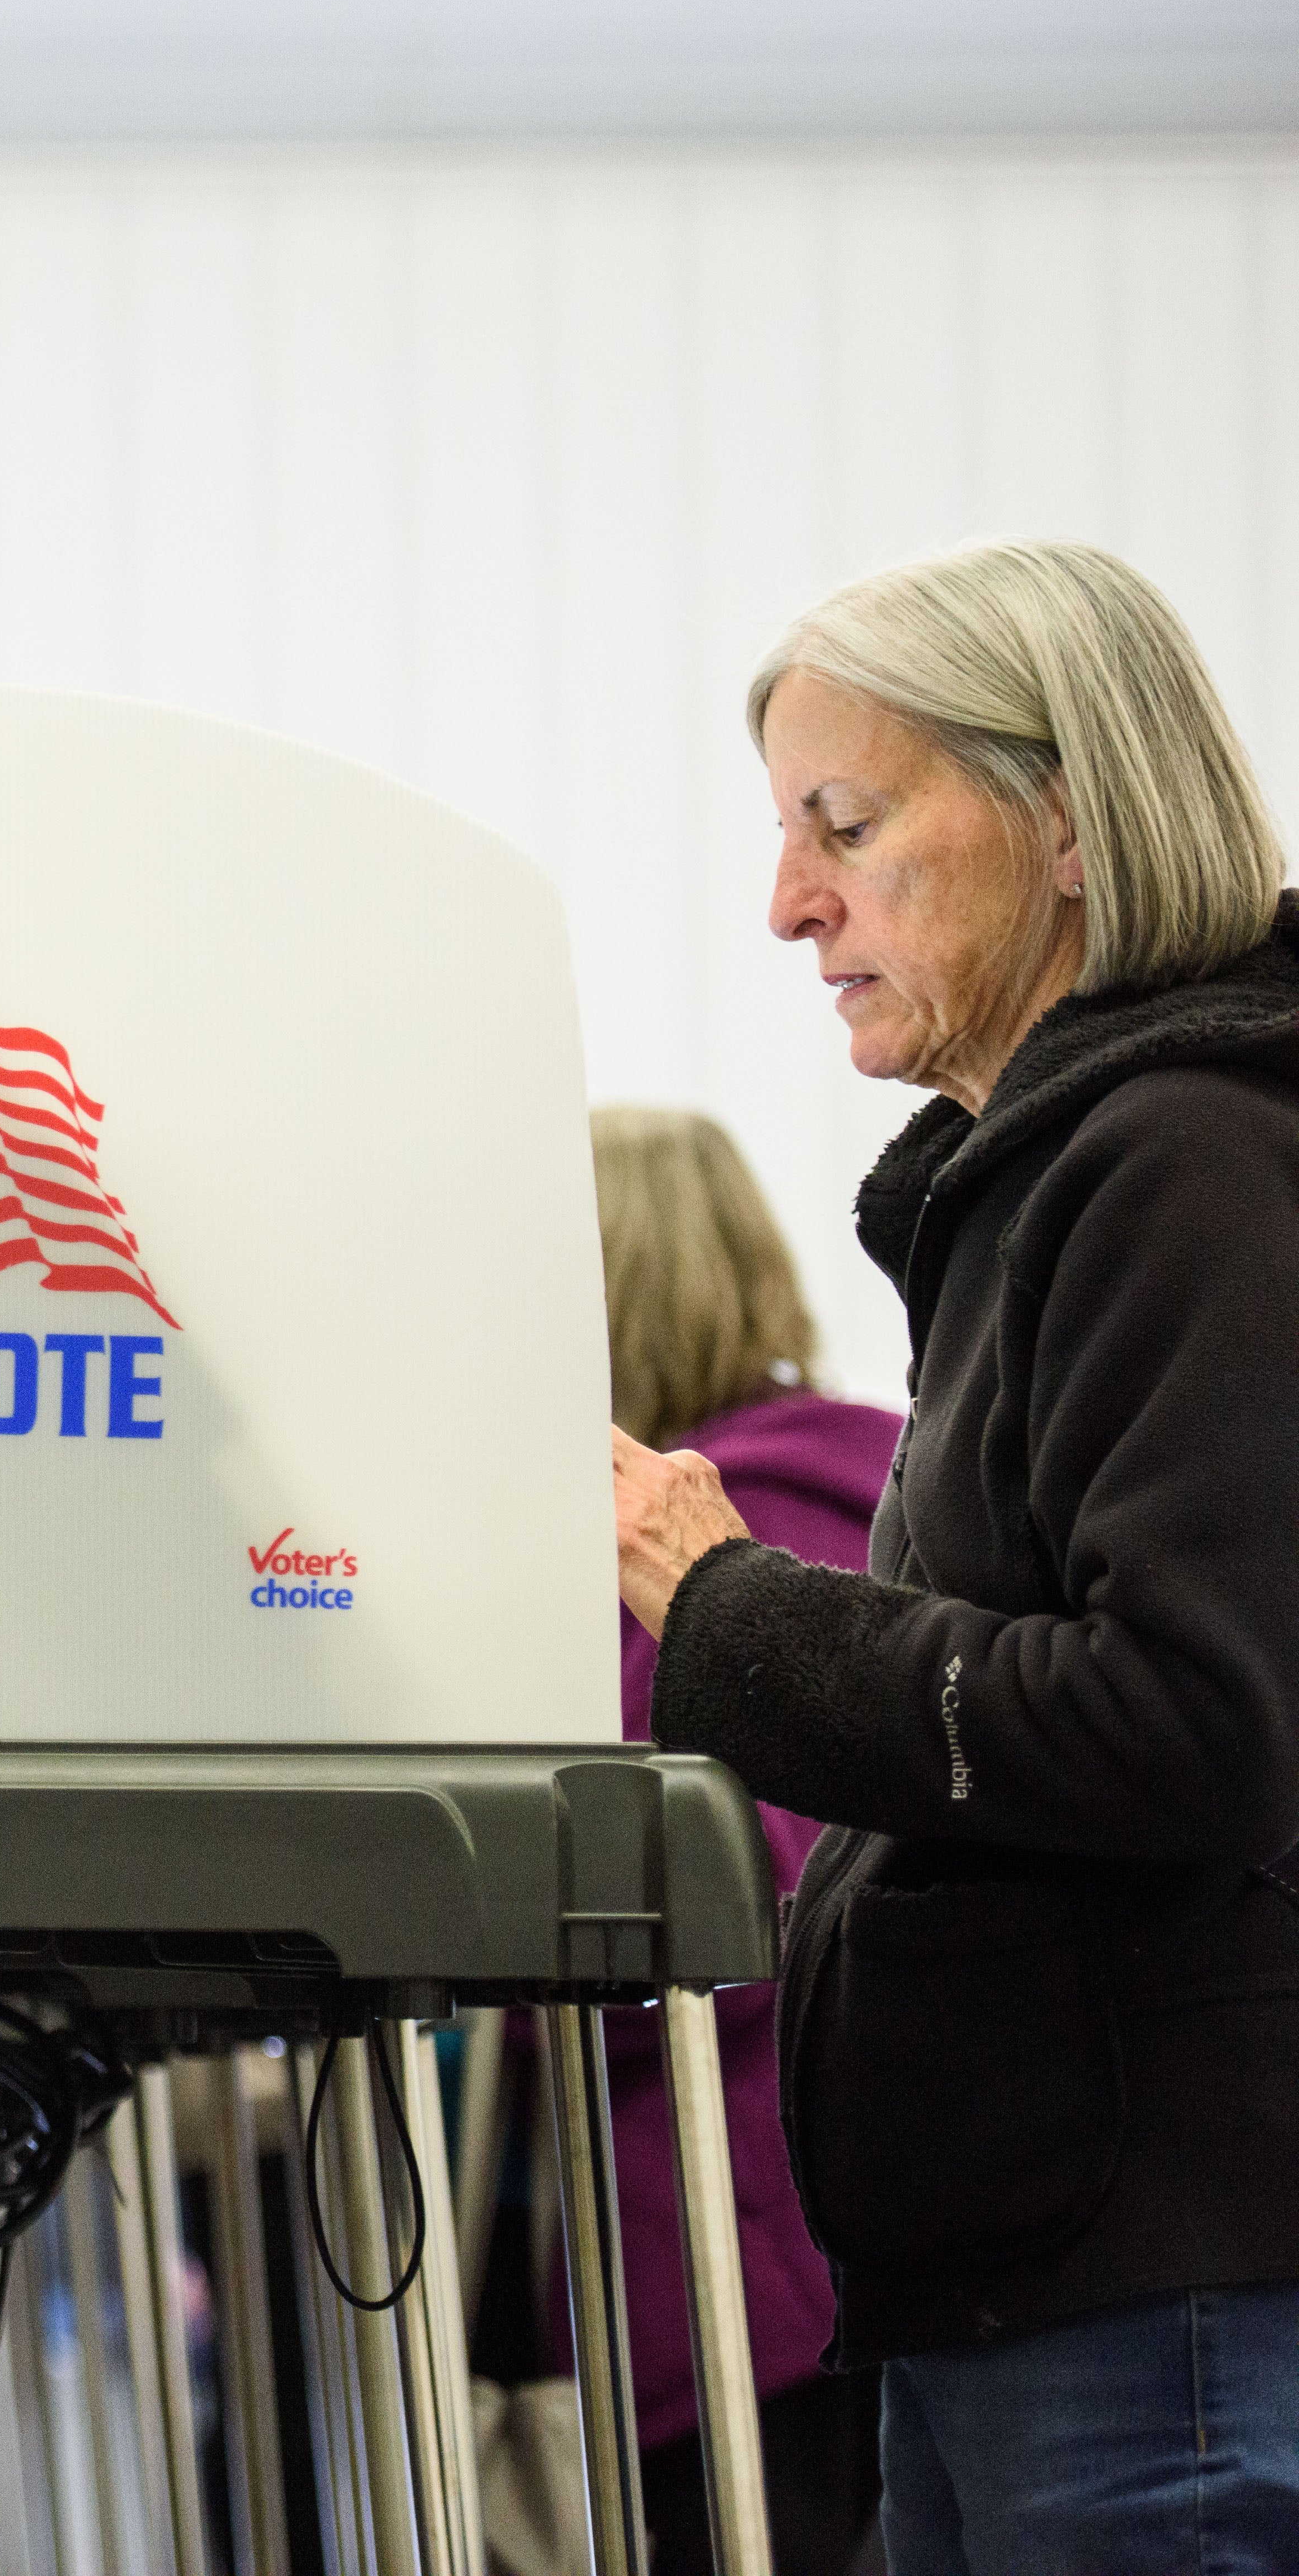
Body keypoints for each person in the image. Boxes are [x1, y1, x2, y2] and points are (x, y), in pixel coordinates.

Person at [611, 540, 1299, 2572]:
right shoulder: (1063, 1184)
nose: (789, 903)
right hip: (1041, 2303)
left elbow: (1188, 1720)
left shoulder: (1188, 1164)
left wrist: (728, 1609)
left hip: (1150, 2324)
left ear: (1069, 818)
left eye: (849, 824)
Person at [588, 1106, 897, 2576]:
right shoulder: (876, 1494)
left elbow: (717, 1908)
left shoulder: (692, 1560)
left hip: (738, 2265)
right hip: (871, 2246)